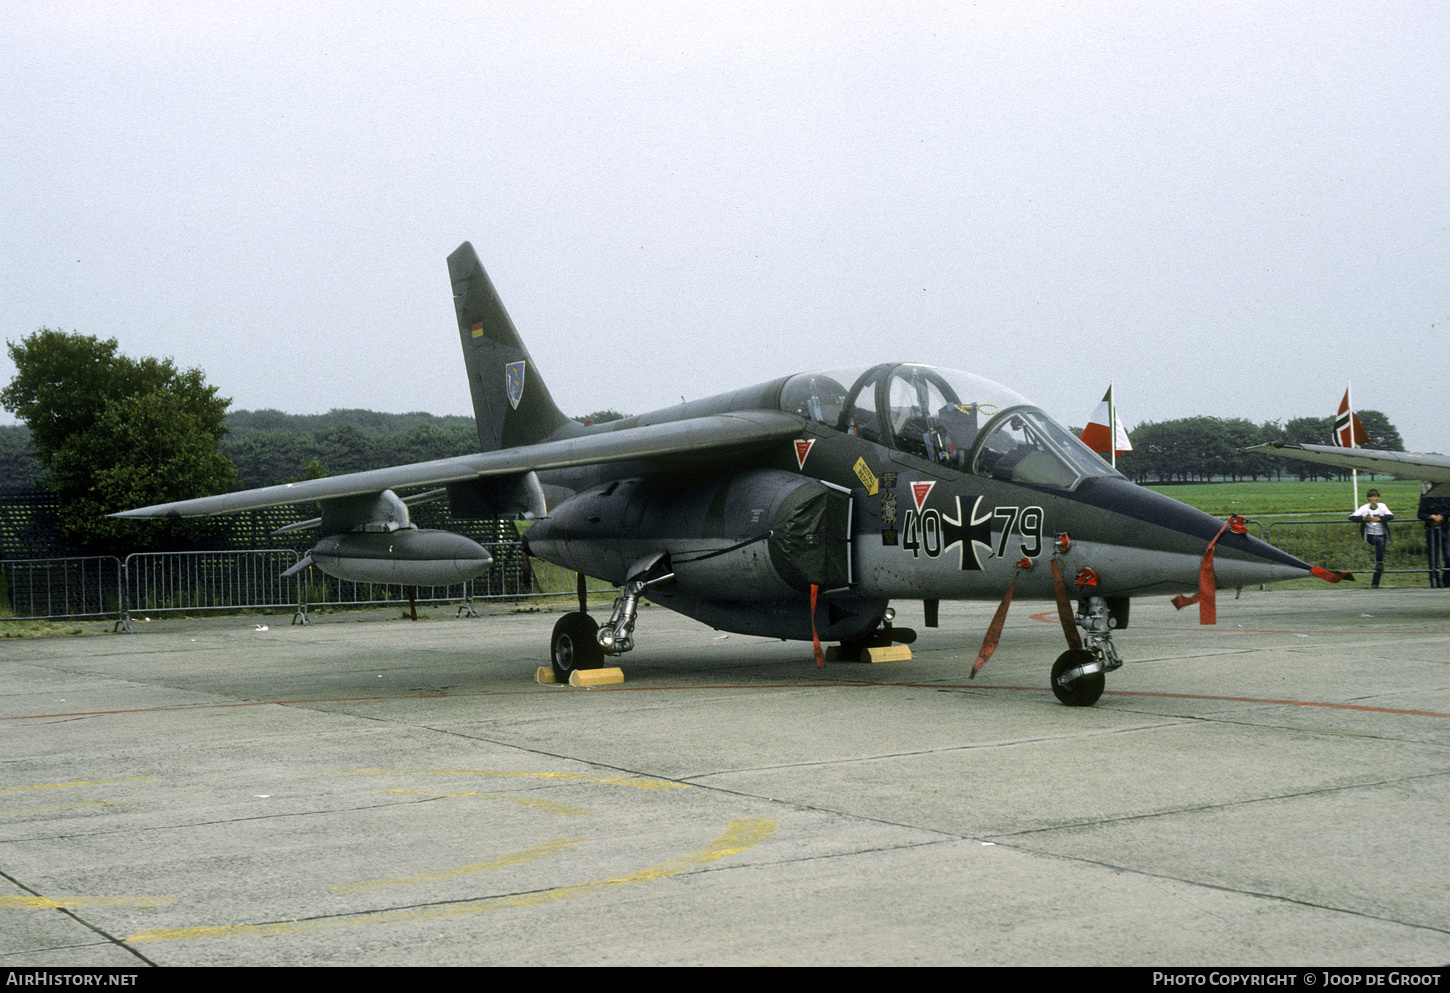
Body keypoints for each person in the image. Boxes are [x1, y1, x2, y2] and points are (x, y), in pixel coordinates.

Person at [1349, 489, 1393, 588]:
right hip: (1370, 536)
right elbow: (1352, 518)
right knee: (1380, 544)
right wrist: (1364, 519)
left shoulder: (1382, 506)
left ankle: (1375, 583)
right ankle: (1379, 564)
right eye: (1373, 496)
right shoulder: (1364, 508)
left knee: (1380, 557)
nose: (1375, 498)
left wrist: (1380, 519)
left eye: (1377, 496)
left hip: (1382, 534)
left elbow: (1391, 516)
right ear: (1369, 498)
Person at [1417, 483, 1450, 588]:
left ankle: (1446, 581)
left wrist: (1442, 515)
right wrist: (1432, 517)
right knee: (1433, 558)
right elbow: (1420, 514)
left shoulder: (1447, 496)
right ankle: (1434, 582)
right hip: (1431, 530)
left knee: (1449, 556)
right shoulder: (1426, 497)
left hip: (1444, 530)